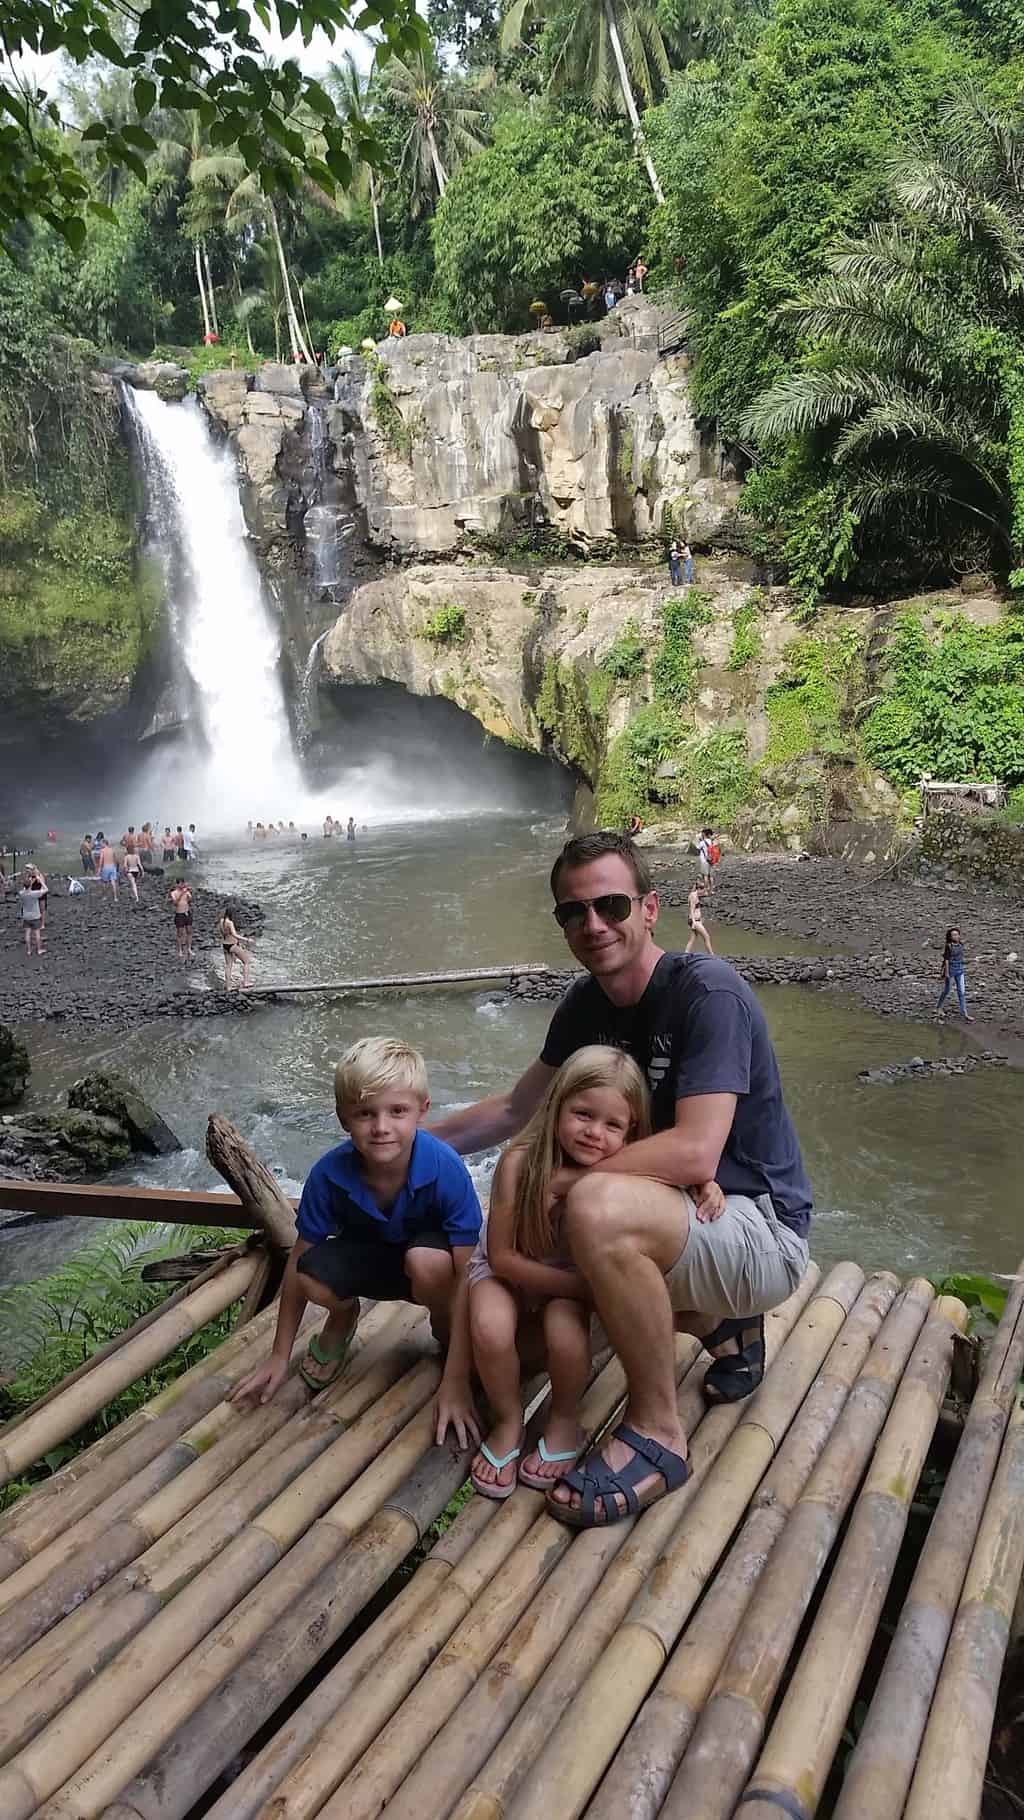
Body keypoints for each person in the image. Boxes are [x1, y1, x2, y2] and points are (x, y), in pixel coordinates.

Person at [431, 831, 812, 1528]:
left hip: (758, 1226)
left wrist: (567, 1184)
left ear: (649, 909)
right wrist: (406, 1147)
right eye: (574, 913)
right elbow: (519, 1110)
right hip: (674, 1218)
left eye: (610, 905)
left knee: (594, 1199)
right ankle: (720, 1324)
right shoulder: (585, 1007)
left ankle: (659, 1431)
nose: (594, 925)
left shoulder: (708, 995)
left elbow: (698, 1152)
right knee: (515, 1351)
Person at [230, 1038, 483, 1428]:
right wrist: (279, 1355)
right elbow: (299, 1258)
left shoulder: (445, 1168)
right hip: (370, 1260)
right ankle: (343, 1316)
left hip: (432, 1267)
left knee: (427, 1262)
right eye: (366, 1114)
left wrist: (457, 1378)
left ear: (423, 1111)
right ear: (343, 1118)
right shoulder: (329, 1175)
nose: (381, 1127)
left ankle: (443, 1319)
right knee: (310, 1273)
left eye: (397, 1111)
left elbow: (469, 1272)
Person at [467, 1046, 661, 1500]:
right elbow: (502, 1258)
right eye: (583, 1114)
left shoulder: (630, 1169)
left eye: (612, 1124)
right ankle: (509, 1420)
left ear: (631, 1129)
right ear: (557, 1106)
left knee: (565, 1333)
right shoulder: (520, 1162)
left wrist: (707, 1185)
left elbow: (675, 1180)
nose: (595, 1133)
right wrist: (586, 1287)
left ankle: (564, 1420)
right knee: (490, 1327)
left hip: (563, 1284)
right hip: (509, 1270)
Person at [936, 926, 973, 1021]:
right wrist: (947, 973)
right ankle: (939, 1007)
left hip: (960, 970)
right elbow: (946, 960)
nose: (956, 936)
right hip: (951, 970)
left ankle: (964, 1012)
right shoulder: (949, 946)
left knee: (962, 992)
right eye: (954, 935)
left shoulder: (961, 944)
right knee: (947, 990)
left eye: (957, 934)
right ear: (950, 937)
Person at [218, 903, 252, 991]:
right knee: (246, 961)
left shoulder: (222, 921)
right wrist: (247, 939)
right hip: (232, 945)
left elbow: (222, 933)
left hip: (225, 945)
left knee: (228, 965)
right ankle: (246, 982)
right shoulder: (230, 923)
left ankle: (228, 986)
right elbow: (234, 935)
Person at [18, 871, 46, 956]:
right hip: (35, 916)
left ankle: (29, 950)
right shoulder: (35, 893)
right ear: (30, 885)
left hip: (26, 917)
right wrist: (41, 881)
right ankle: (39, 950)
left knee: (27, 934)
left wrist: (29, 883)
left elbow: (24, 889)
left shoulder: (21, 893)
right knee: (37, 934)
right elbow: (46, 890)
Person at [686, 880, 713, 955]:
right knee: (706, 937)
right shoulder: (694, 897)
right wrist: (694, 923)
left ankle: (686, 953)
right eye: (702, 891)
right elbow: (692, 910)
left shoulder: (693, 893)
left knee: (692, 939)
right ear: (699, 889)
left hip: (696, 920)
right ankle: (712, 955)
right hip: (695, 921)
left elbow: (706, 893)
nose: (703, 893)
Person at [169, 878, 193, 962]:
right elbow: (175, 903)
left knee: (189, 931)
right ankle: (180, 950)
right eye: (180, 884)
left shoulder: (186, 891)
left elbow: (190, 901)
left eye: (183, 883)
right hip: (179, 914)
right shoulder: (173, 893)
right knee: (180, 933)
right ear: (177, 884)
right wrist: (182, 893)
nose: (182, 885)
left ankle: (189, 948)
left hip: (187, 912)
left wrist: (189, 894)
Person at [697, 827, 717, 893]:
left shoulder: (702, 842)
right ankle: (712, 890)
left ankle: (706, 890)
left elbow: (698, 849)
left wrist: (699, 840)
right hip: (712, 860)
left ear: (704, 834)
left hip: (704, 861)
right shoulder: (712, 842)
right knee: (711, 876)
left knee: (705, 876)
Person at [97, 836, 118, 902]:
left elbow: (101, 861)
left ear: (104, 843)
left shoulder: (102, 850)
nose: (100, 845)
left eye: (101, 843)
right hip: (112, 866)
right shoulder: (112, 849)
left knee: (104, 882)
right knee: (113, 882)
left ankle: (105, 896)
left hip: (106, 867)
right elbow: (115, 860)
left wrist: (99, 869)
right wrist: (116, 867)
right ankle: (115, 897)